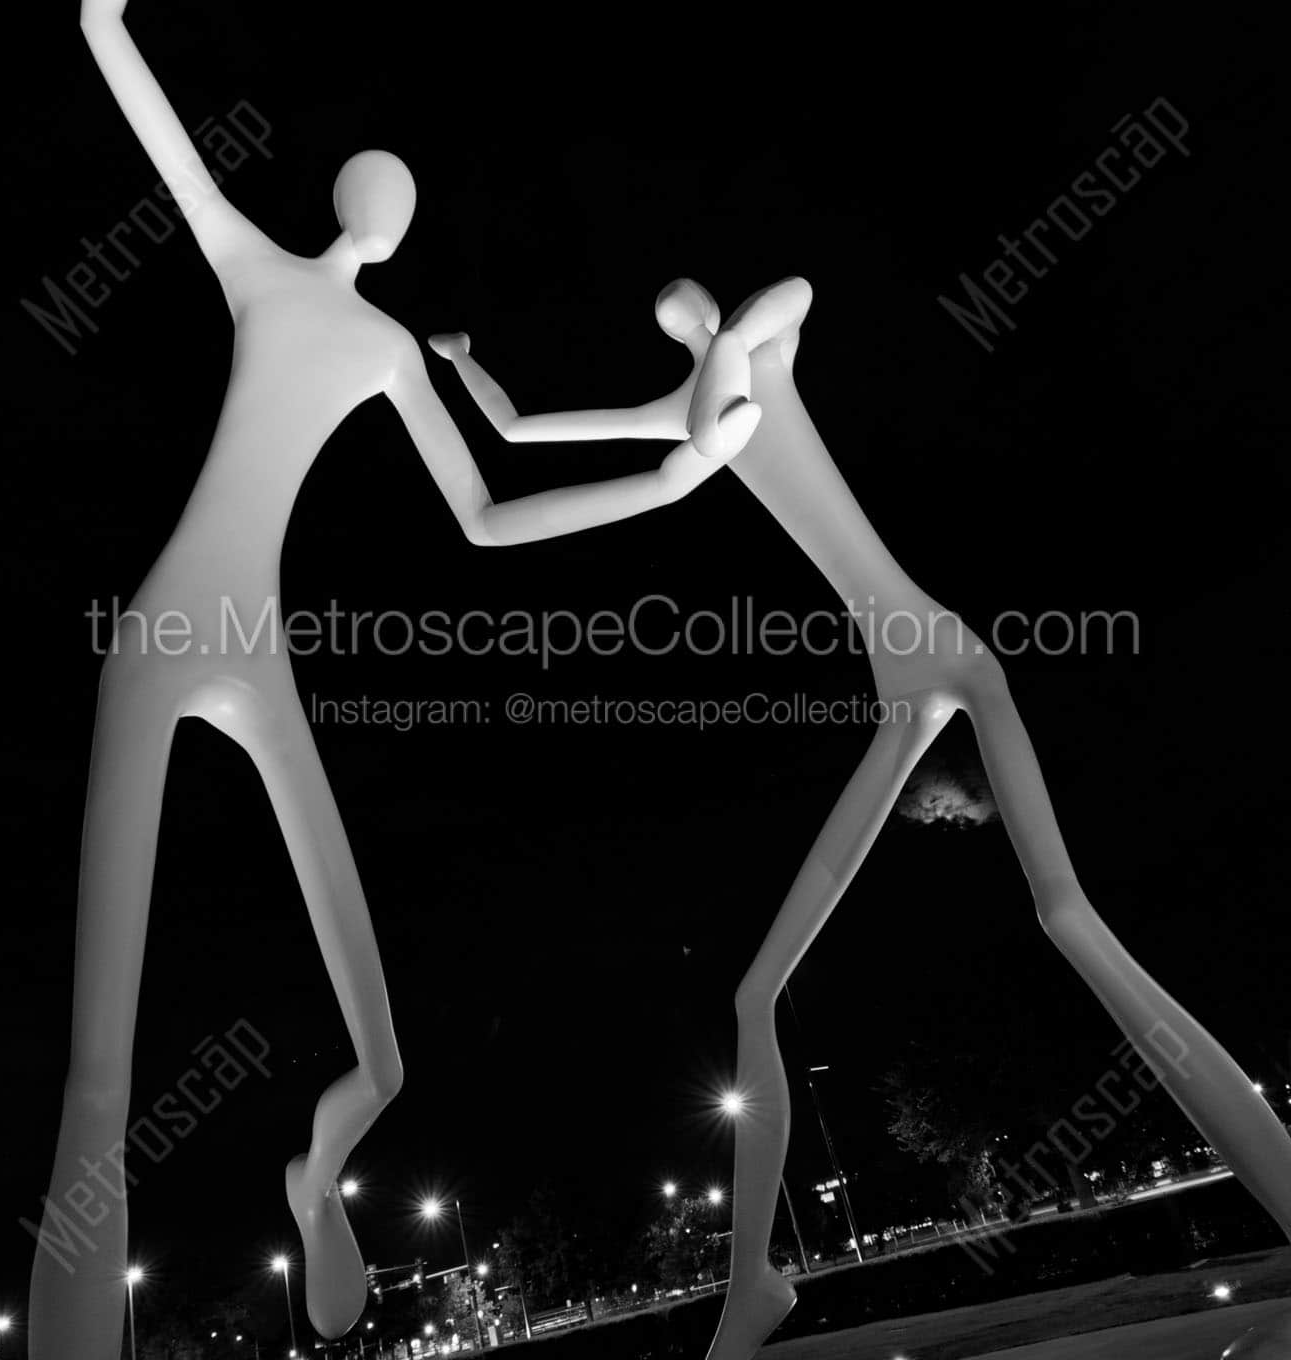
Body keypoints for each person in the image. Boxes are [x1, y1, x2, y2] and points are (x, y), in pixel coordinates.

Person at [30, 5, 760, 1357]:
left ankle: (314, 1181)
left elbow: (482, 513)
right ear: (376, 220)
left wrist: (669, 477)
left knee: (386, 1063)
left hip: (250, 645)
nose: (388, 212)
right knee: (100, 1076)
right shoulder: (281, 286)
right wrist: (103, 19)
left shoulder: (366, 339)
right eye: (390, 200)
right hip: (166, 637)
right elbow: (169, 147)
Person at [432, 274, 1291, 1360]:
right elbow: (519, 430)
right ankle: (753, 1288)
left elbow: (792, 294)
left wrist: (718, 385)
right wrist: (461, 365)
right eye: (671, 312)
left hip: (954, 656)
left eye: (692, 302)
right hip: (896, 693)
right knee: (754, 992)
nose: (685, 310)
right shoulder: (696, 408)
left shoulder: (761, 354)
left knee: (1066, 915)